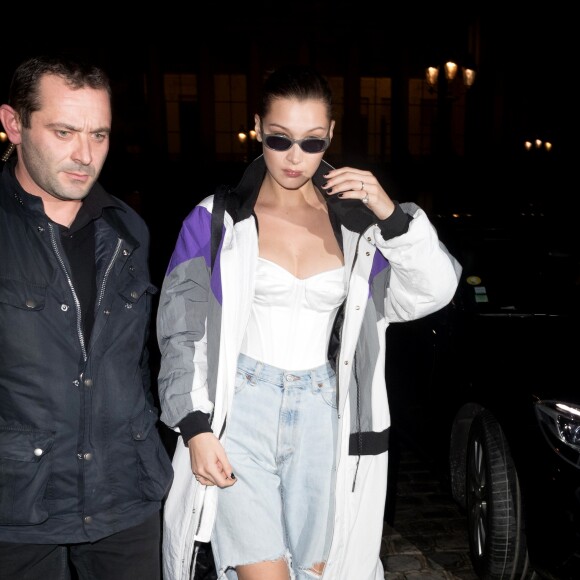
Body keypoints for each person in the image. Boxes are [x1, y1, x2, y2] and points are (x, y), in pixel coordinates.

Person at [157, 64, 461, 580]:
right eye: (279, 139)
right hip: (241, 415)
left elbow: (434, 290)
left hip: (326, 416)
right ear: (257, 127)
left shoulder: (358, 228)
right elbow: (180, 331)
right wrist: (195, 427)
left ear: (332, 136)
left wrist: (388, 213)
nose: (295, 157)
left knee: (318, 570)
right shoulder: (217, 221)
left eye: (312, 142)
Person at [0, 55, 173, 580]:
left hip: (124, 494)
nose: (85, 154)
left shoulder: (128, 231)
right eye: (64, 131)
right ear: (13, 123)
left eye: (99, 135)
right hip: (17, 505)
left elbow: (137, 361)